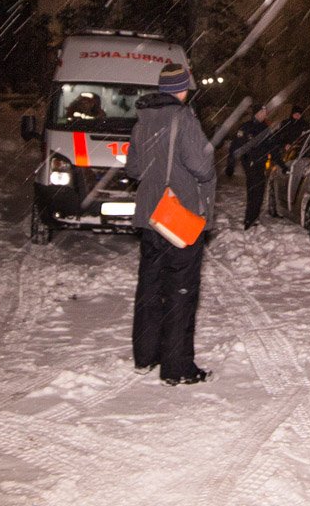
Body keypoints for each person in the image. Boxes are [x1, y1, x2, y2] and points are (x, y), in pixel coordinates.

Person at [125, 63, 216, 386]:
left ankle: (146, 355)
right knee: (180, 291)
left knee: (150, 288)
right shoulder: (184, 119)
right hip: (178, 218)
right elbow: (202, 167)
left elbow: (134, 170)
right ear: (183, 89)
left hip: (150, 218)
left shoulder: (141, 122)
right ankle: (177, 367)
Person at [233, 104, 286, 230]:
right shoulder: (246, 127)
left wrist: (281, 164)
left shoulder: (265, 128)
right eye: (262, 112)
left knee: (259, 192)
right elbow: (238, 146)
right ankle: (249, 219)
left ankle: (254, 217)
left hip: (261, 165)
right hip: (250, 165)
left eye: (265, 113)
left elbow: (272, 149)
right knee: (253, 193)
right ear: (256, 113)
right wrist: (245, 161)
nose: (264, 115)